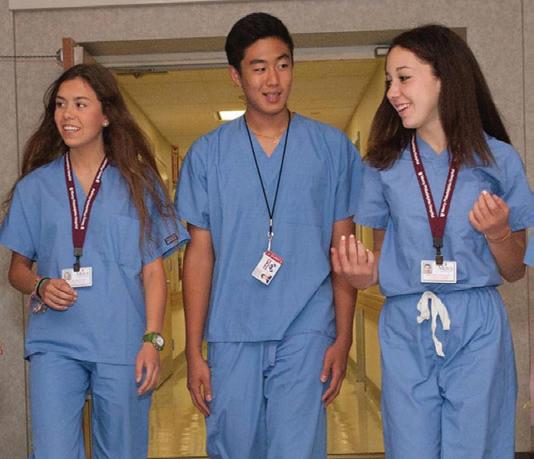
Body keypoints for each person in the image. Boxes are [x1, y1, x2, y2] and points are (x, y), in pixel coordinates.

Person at [331, 24, 534, 459]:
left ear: (444, 77)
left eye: (404, 78)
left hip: (476, 321)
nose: (393, 92)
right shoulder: (382, 166)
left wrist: (498, 232)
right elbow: (383, 256)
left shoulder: (498, 160)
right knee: (411, 447)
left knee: (474, 446)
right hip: (406, 321)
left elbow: (515, 270)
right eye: (389, 81)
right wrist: (364, 275)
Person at [176, 12, 361, 459]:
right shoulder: (207, 155)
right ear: (235, 76)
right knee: (235, 446)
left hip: (307, 326)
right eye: (259, 68)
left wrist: (343, 337)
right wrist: (193, 350)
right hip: (232, 328)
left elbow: (343, 250)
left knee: (296, 448)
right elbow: (199, 256)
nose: (273, 80)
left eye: (283, 64)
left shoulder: (332, 148)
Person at [0, 63, 188, 459]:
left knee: (122, 451)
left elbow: (154, 273)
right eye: (60, 104)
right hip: (56, 342)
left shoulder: (140, 184)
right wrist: (39, 285)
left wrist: (152, 340)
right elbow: (17, 271)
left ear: (106, 115)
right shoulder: (35, 188)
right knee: (52, 452)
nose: (67, 114)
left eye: (80, 104)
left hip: (122, 342)